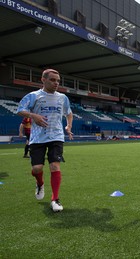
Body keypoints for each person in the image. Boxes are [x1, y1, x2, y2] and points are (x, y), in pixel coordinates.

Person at [17, 69, 73, 212]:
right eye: (53, 80)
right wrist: (33, 115)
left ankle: (55, 199)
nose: (56, 83)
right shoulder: (33, 96)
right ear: (43, 80)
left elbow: (69, 113)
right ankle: (40, 183)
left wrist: (68, 125)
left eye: (58, 81)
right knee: (37, 169)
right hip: (37, 138)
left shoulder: (63, 98)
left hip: (56, 136)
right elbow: (20, 110)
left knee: (55, 166)